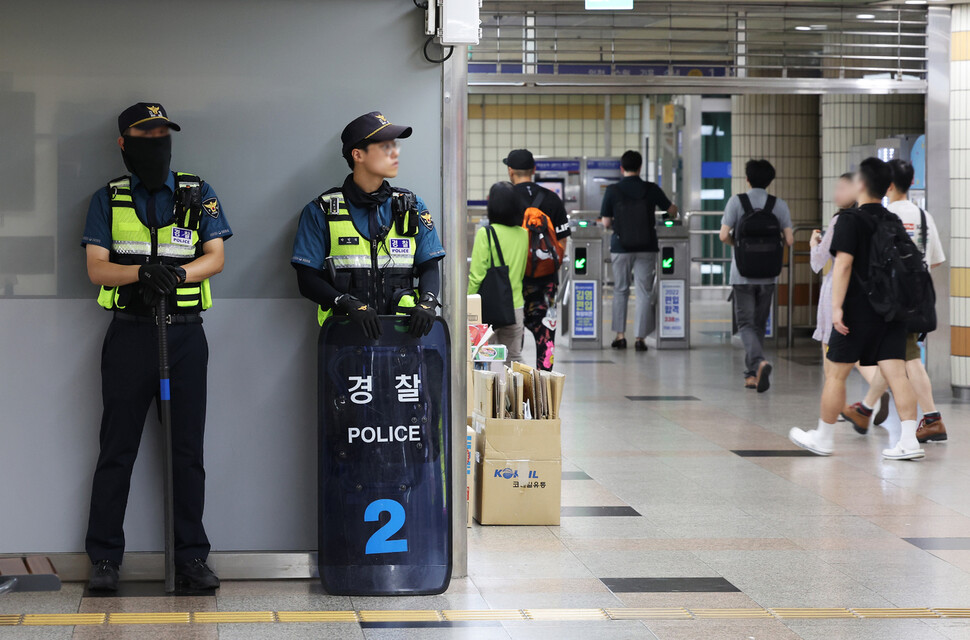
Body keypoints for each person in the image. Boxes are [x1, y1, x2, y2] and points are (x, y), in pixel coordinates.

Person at [81, 103, 231, 591]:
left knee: (186, 453)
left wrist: (178, 275)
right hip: (130, 335)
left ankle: (191, 559)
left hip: (185, 334)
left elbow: (217, 257)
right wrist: (140, 273)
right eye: (147, 133)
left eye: (164, 132)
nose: (158, 141)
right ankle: (104, 560)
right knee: (117, 449)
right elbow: (97, 269)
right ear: (125, 143)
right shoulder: (108, 198)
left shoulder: (197, 191)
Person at [790, 157, 924, 460]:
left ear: (861, 184)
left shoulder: (851, 219)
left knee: (835, 375)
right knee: (897, 375)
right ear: (887, 187)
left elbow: (844, 265)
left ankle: (824, 437)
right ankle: (908, 441)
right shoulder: (891, 220)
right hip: (890, 312)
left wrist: (836, 308)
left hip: (856, 313)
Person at [291, 111, 444, 341]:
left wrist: (428, 301)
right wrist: (346, 303)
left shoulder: (411, 205)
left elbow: (429, 265)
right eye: (385, 147)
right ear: (358, 155)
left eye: (395, 145)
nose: (395, 153)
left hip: (403, 336)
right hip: (345, 339)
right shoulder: (322, 211)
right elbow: (306, 279)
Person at [841, 158, 947, 443]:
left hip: (888, 301)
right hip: (917, 296)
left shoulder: (884, 217)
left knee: (905, 358)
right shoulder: (924, 216)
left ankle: (932, 419)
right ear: (912, 182)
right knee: (894, 357)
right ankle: (865, 409)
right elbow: (934, 261)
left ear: (886, 185)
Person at [811, 175, 890, 426]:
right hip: (866, 291)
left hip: (838, 290)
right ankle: (875, 392)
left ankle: (837, 409)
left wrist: (814, 242)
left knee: (832, 351)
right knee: (852, 354)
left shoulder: (841, 220)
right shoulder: (874, 220)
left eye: (842, 187)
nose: (837, 192)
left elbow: (819, 261)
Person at [719, 159, 793, 392]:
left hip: (742, 275)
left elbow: (723, 236)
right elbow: (790, 240)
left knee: (745, 324)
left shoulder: (736, 202)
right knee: (758, 324)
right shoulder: (778, 205)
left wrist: (737, 245)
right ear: (769, 181)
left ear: (747, 179)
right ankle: (752, 375)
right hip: (769, 275)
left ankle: (758, 363)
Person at [600, 150, 677, 352]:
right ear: (640, 167)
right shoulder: (651, 189)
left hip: (620, 246)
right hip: (647, 246)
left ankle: (620, 336)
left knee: (621, 290)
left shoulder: (613, 190)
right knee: (643, 292)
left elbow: (606, 221)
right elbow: (672, 210)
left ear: (621, 168)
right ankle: (640, 338)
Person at [505, 149, 570, 370]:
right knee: (546, 338)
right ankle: (545, 392)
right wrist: (548, 266)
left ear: (510, 170)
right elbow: (562, 242)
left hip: (514, 281)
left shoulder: (506, 198)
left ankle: (514, 393)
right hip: (547, 282)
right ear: (534, 170)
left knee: (512, 342)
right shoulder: (552, 199)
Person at [468, 182, 530, 366]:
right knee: (514, 360)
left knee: (479, 360)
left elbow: (476, 276)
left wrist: (469, 307)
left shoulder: (485, 234)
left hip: (486, 308)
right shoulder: (523, 234)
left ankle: (483, 395)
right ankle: (522, 394)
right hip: (515, 307)